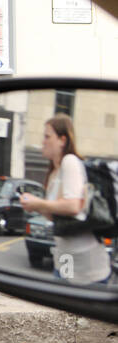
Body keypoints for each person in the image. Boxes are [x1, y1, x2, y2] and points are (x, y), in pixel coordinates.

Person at [20, 115, 111, 284]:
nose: (43, 141)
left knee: (75, 309)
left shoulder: (70, 161)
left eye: (47, 136)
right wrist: (35, 207)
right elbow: (54, 216)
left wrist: (38, 203)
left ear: (62, 140)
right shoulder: (54, 172)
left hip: (86, 265)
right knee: (62, 305)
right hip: (64, 258)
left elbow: (73, 206)